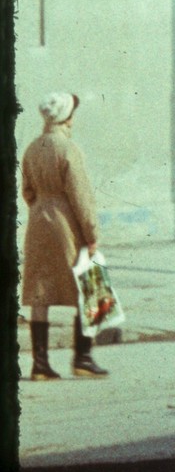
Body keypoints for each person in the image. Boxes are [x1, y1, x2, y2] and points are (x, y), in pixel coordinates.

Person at [21, 93, 107, 382]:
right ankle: (82, 357)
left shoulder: (32, 148)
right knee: (90, 286)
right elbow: (81, 196)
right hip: (66, 221)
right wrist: (92, 234)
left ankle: (40, 364)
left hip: (38, 220)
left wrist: (41, 206)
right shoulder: (68, 148)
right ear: (66, 117)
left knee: (39, 293)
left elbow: (27, 190)